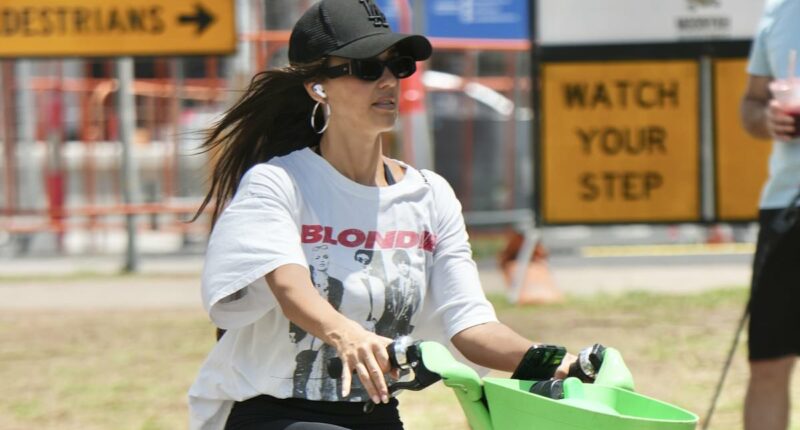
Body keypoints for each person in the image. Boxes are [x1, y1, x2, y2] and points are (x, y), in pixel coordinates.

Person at [188, 1, 579, 429]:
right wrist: (347, 333)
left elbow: (470, 325)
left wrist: (562, 363)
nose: (389, 80)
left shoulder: (430, 196)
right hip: (277, 413)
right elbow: (289, 287)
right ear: (318, 87)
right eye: (367, 68)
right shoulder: (278, 182)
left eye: (398, 65)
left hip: (376, 413)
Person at [740, 1, 800, 429]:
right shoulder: (779, 10)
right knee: (768, 360)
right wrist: (768, 118)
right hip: (786, 205)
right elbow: (752, 103)